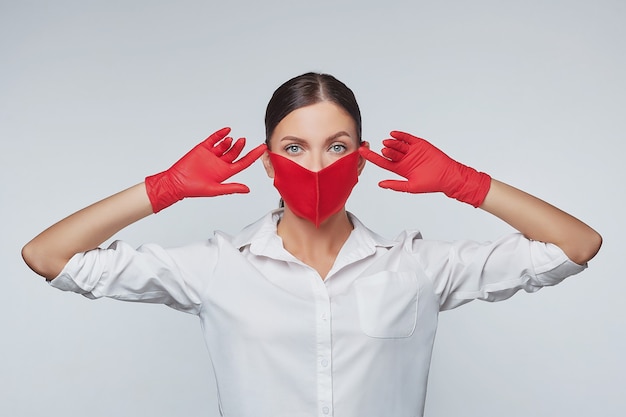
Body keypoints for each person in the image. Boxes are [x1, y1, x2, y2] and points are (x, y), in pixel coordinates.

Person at [22, 72, 602, 417]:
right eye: (295, 148)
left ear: (361, 157)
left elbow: (576, 245)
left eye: (337, 145)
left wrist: (464, 183)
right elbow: (47, 256)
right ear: (270, 165)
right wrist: (164, 188)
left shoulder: (420, 265)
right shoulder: (217, 267)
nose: (317, 165)